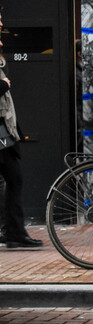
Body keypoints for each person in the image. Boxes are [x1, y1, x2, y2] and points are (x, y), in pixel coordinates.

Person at [0, 11, 42, 248]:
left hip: (4, 129)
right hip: (1, 130)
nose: (2, 24)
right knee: (13, 179)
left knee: (13, 179)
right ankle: (13, 232)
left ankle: (12, 231)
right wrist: (2, 85)